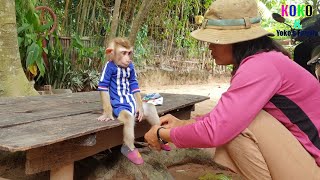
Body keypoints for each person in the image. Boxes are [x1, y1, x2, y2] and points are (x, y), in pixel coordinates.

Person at [144, 0, 320, 179]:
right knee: (233, 124)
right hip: (306, 157)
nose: (209, 46)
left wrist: (163, 134)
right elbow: (222, 119)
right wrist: (180, 124)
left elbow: (219, 128)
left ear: (237, 41)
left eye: (214, 40)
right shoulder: (266, 61)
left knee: (238, 128)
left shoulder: (260, 67)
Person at [97, 37, 170, 165]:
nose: (128, 58)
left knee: (151, 108)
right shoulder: (109, 67)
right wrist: (107, 111)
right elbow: (103, 88)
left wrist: (140, 106)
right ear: (111, 54)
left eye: (129, 53)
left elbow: (134, 86)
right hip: (119, 105)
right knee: (129, 118)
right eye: (123, 53)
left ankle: (159, 136)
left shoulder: (130, 66)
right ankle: (128, 146)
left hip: (132, 102)